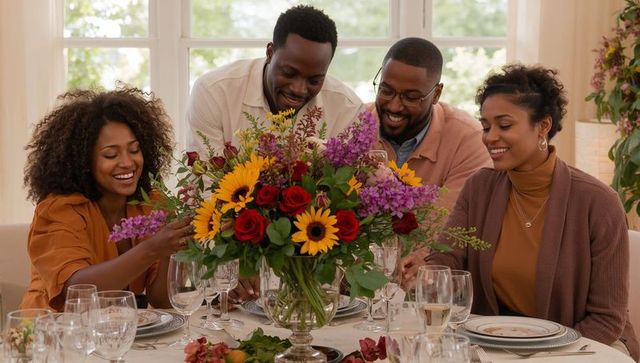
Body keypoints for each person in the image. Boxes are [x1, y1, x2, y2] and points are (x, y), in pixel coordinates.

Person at [422, 64, 639, 361]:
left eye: (505, 125)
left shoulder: (598, 202)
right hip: (494, 346)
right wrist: (429, 274)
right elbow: (446, 256)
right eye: (486, 126)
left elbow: (607, 319)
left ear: (543, 125)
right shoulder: (480, 187)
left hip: (583, 347)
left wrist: (538, 357)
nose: (490, 137)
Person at [21, 87, 193, 312]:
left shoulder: (151, 203)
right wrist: (152, 248)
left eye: (134, 150)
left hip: (115, 333)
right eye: (111, 154)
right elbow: (78, 293)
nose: (127, 162)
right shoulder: (58, 210)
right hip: (52, 334)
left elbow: (162, 300)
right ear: (83, 161)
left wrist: (173, 248)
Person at [370, 37, 492, 279]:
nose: (394, 106)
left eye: (411, 97)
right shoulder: (356, 125)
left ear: (436, 94)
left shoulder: (468, 140)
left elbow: (442, 231)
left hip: (429, 284)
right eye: (386, 90)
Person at [186, 4, 363, 156]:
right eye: (289, 73)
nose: (299, 89)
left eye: (314, 80)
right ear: (270, 52)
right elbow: (204, 187)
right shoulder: (214, 92)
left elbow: (347, 190)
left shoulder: (346, 109)